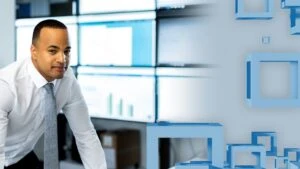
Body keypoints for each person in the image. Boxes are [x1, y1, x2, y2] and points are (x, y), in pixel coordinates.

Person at [0, 19, 107, 169]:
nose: (62, 59)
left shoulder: (67, 80)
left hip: (22, 155)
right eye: (53, 51)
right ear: (34, 52)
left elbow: (86, 135)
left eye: (66, 51)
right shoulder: (6, 86)